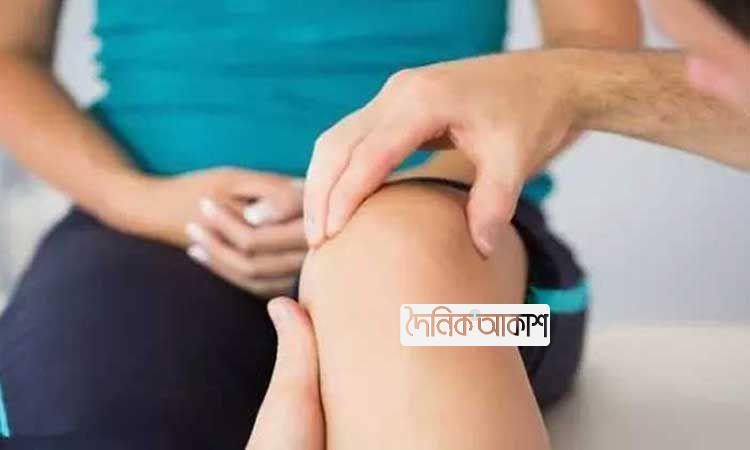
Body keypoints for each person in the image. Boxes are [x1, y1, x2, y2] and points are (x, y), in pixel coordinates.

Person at [0, 1, 641, 449]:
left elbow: (593, 44)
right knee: (79, 407)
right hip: (149, 222)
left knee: (426, 327)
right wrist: (136, 200)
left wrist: (396, 187)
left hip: (475, 256)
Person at [304, 0, 750, 256]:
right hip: (262, 268)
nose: (698, 80)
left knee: (413, 306)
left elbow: (595, 41)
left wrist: (396, 196)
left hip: (492, 280)